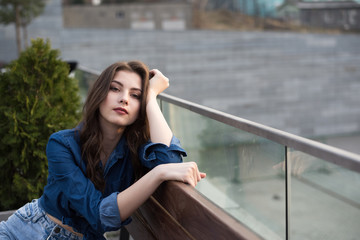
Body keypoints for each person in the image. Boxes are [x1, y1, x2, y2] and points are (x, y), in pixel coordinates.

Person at [0, 61, 206, 239]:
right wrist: (158, 173)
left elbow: (169, 162)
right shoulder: (62, 144)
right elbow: (98, 215)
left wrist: (151, 97)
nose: (124, 98)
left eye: (135, 95)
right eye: (115, 89)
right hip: (27, 231)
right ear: (99, 94)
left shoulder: (135, 150)